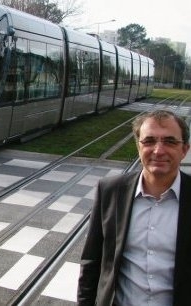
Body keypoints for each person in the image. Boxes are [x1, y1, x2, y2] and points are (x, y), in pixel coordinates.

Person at [77, 109, 191, 305]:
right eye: (149, 141)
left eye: (170, 141)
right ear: (138, 146)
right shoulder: (110, 191)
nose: (158, 150)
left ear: (185, 150)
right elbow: (91, 262)